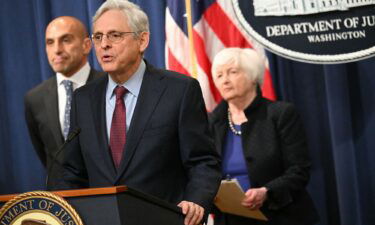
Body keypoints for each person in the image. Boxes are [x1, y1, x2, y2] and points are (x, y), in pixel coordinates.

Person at [57, 1, 221, 225]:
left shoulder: (179, 90)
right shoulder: (83, 99)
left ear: (142, 40)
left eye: (114, 35)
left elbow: (203, 161)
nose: (104, 44)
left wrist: (196, 202)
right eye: (98, 36)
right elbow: (72, 171)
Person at [209, 48, 319, 225]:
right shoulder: (213, 122)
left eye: (233, 72)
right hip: (232, 219)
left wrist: (267, 191)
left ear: (253, 76)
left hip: (280, 216)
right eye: (219, 75)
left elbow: (299, 170)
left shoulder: (280, 114)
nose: (225, 81)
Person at [24, 16, 103, 189]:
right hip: (60, 204)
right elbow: (47, 156)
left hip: (106, 196)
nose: (57, 50)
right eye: (50, 42)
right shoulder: (34, 98)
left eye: (65, 40)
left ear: (86, 45)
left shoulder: (109, 86)